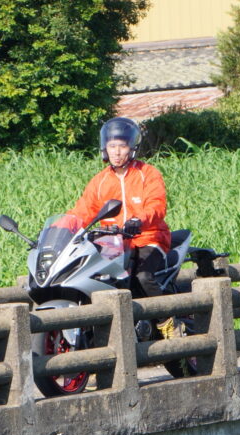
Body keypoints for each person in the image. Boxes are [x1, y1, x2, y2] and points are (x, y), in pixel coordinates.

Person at [68, 116, 179, 337]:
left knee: (142, 276)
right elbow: (82, 211)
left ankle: (168, 324)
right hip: (113, 243)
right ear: (105, 148)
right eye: (112, 146)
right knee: (96, 277)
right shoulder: (100, 181)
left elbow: (156, 204)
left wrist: (139, 221)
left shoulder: (148, 174)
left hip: (148, 237)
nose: (117, 152)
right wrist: (62, 228)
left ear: (132, 148)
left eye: (122, 146)